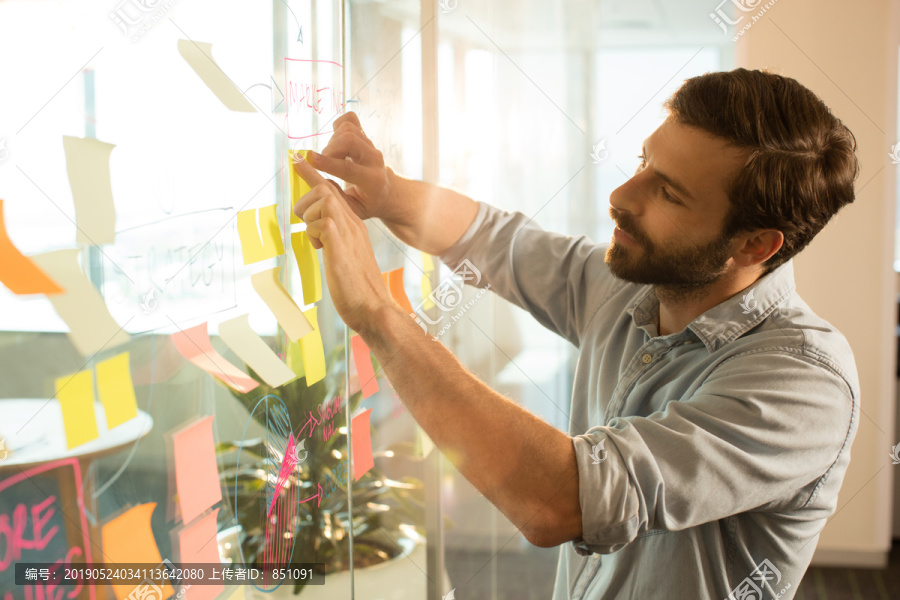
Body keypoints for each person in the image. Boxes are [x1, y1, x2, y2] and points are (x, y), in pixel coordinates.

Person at [291, 67, 860, 599]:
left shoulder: (804, 385)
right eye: (643, 162)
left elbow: (560, 500)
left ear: (754, 245)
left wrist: (377, 313)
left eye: (668, 191)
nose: (620, 196)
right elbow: (495, 241)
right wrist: (386, 192)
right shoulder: (635, 285)